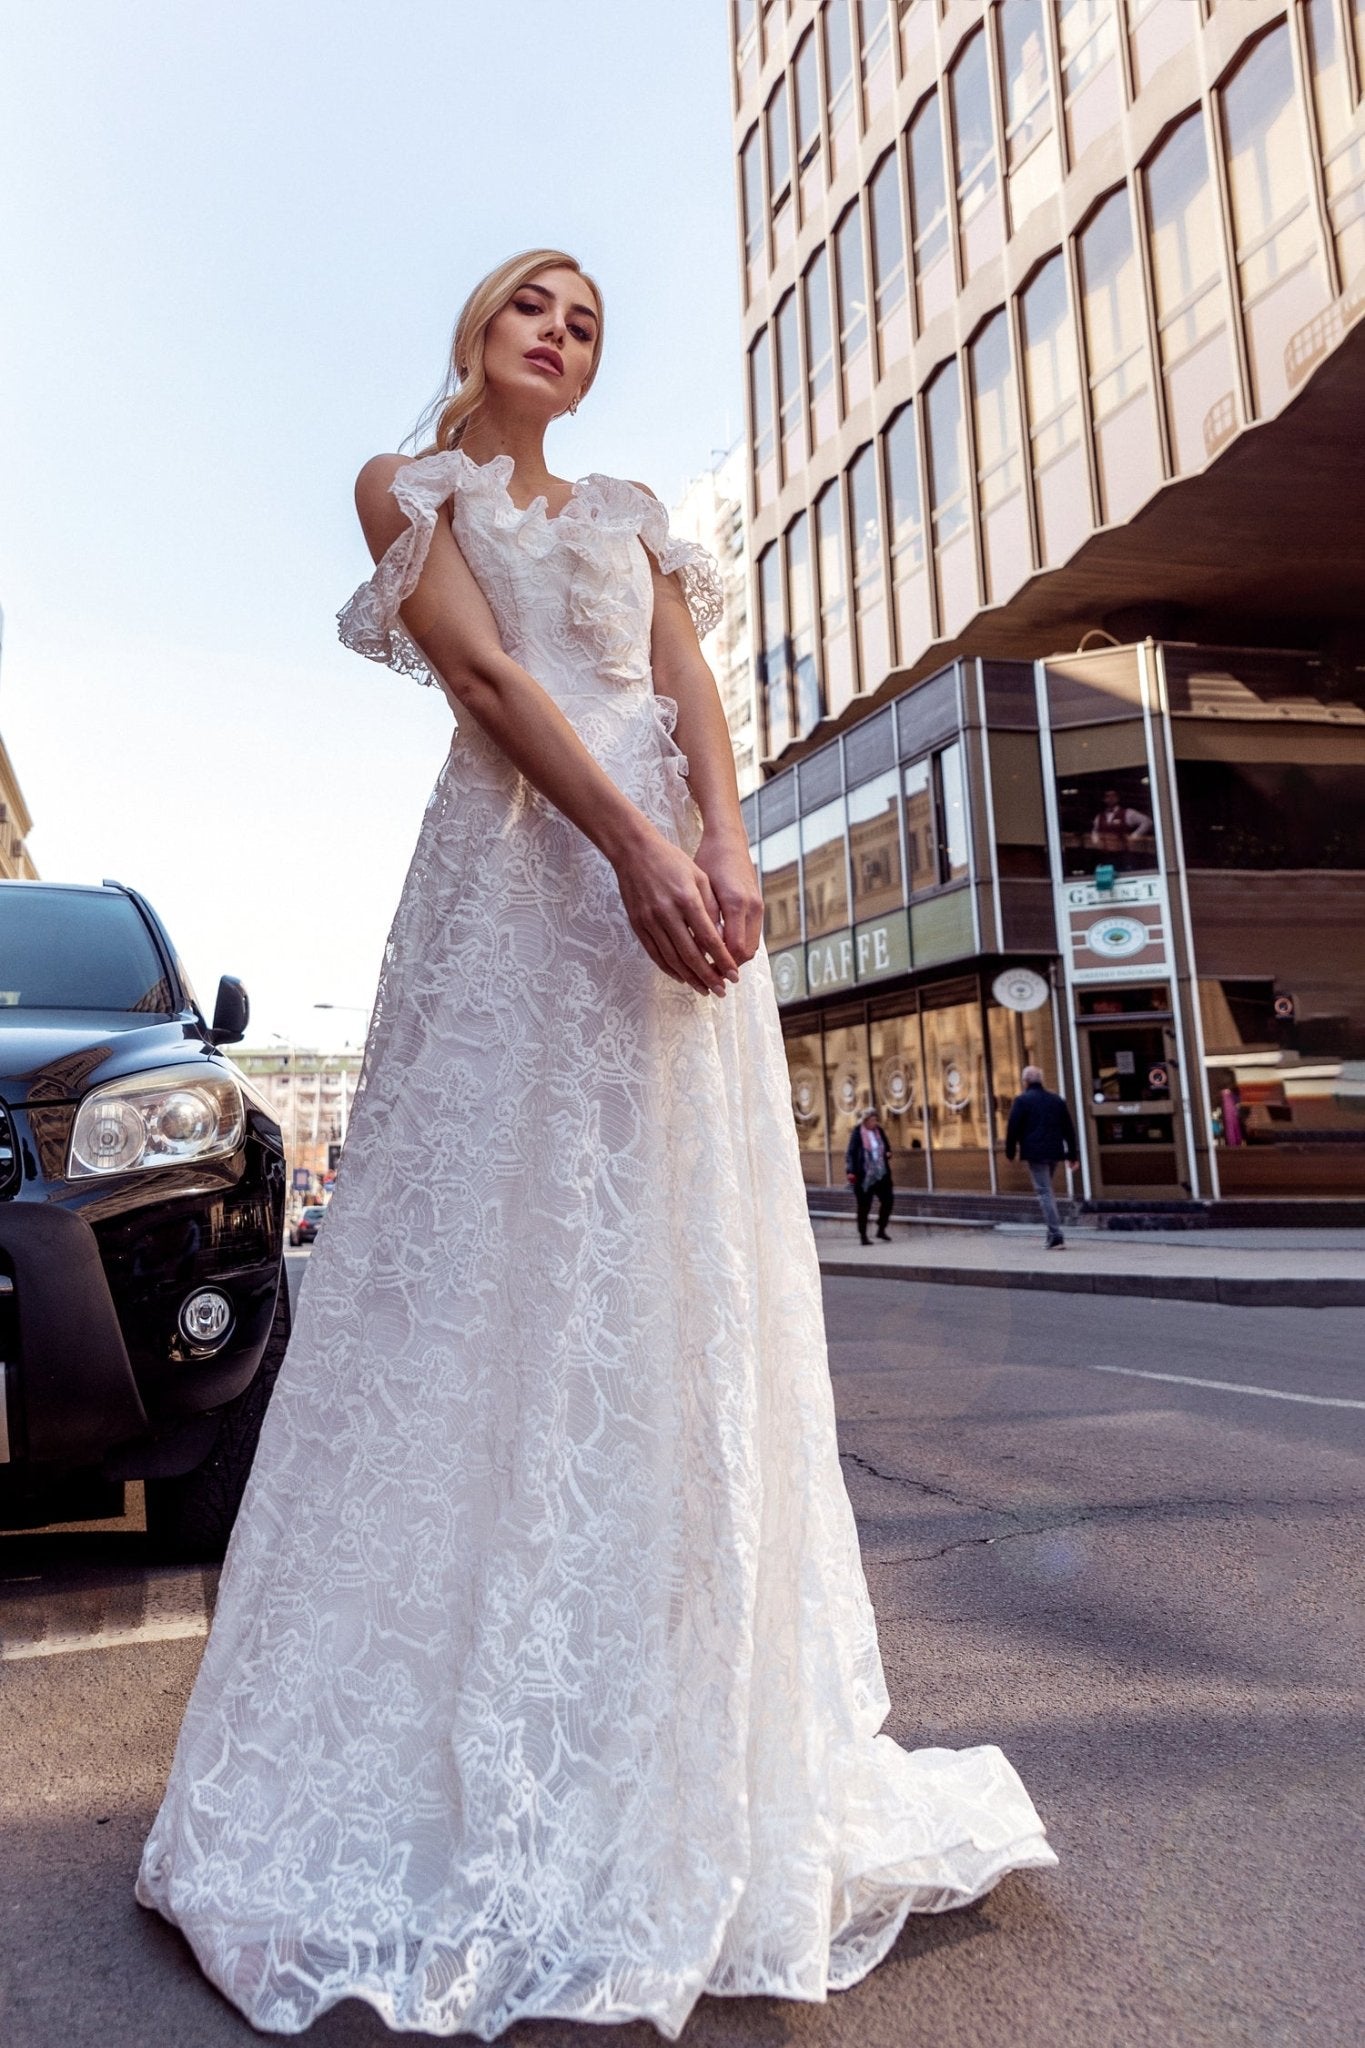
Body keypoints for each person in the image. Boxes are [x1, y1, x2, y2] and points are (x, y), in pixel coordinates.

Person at [137, 250, 1054, 2037]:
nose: (562, 334)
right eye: (532, 308)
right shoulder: (410, 488)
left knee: (671, 1276)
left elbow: (692, 692)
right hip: (516, 886)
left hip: (672, 907)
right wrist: (626, 848)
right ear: (473, 330)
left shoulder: (636, 511)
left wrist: (725, 844)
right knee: (482, 1269)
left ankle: (674, 1728)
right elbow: (486, 682)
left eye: (588, 323)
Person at [1004, 1064, 1079, 1248]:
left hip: (1035, 1153)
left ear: (1025, 1082)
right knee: (1047, 1191)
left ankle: (1055, 1235)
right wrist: (1072, 1154)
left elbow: (1013, 1128)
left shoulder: (1022, 1101)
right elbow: (1068, 1129)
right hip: (1054, 1152)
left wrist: (1010, 1151)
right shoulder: (1056, 1100)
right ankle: (1051, 1233)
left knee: (1044, 1192)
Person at [845, 1107, 893, 1244]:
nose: (874, 1122)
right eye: (872, 1120)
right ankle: (863, 1236)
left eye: (875, 1119)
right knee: (864, 1206)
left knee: (888, 1201)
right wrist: (851, 1171)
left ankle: (881, 1229)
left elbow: (887, 1147)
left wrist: (888, 1153)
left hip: (881, 1174)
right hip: (864, 1176)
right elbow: (851, 1153)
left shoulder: (879, 1131)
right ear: (865, 1121)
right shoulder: (857, 1133)